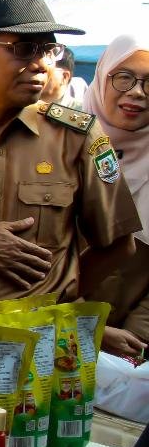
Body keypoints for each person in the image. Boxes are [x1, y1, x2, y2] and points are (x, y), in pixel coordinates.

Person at [0, 0, 140, 313]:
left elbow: (117, 244)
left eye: (49, 50)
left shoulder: (77, 138)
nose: (42, 63)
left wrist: (59, 299)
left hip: (42, 351)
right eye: (24, 48)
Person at [82, 34, 149, 357]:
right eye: (124, 78)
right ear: (101, 77)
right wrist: (90, 328)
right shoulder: (60, 147)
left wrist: (133, 341)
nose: (137, 92)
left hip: (130, 354)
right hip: (50, 334)